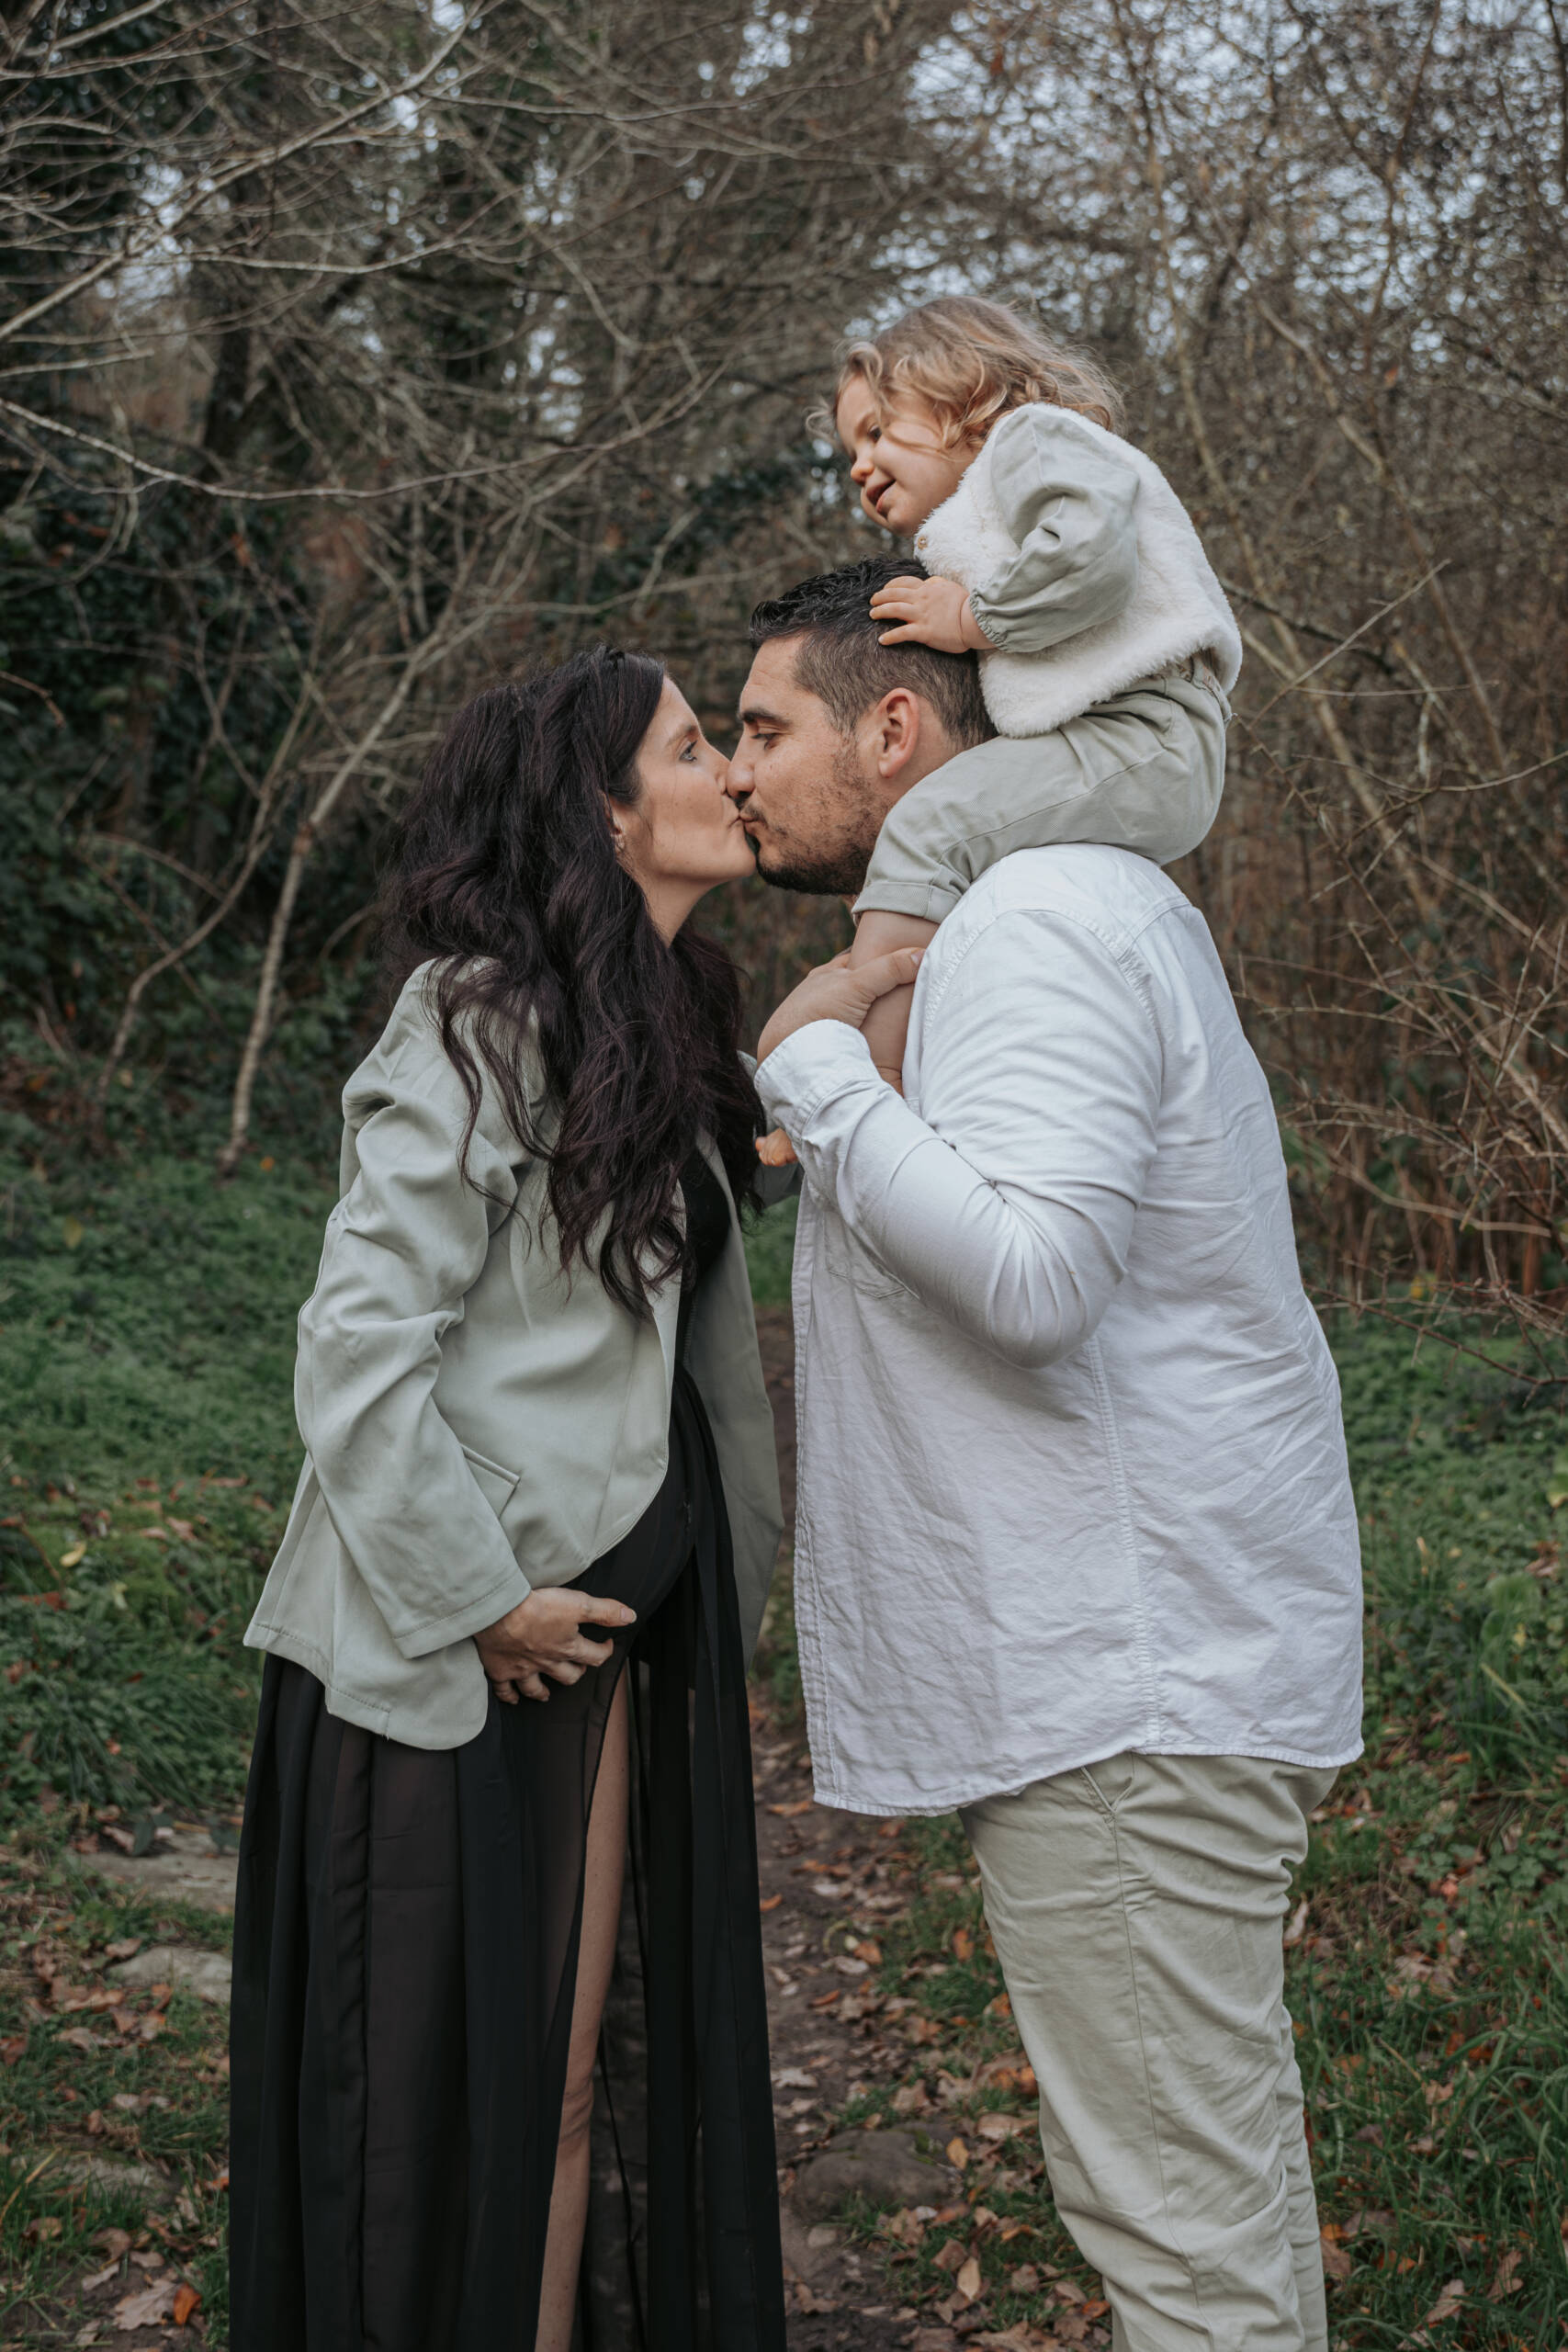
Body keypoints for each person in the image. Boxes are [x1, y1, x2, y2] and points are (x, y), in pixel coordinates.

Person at [728, 572, 1364, 2352]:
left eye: (765, 727)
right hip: (1135, 1685)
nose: (737, 769)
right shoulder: (1023, 919)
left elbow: (1030, 1277)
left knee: (1180, 2244)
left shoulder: (1037, 918)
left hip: (1132, 1694)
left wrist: (814, 1078)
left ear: (898, 729)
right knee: (1207, 2207)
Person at [229, 650, 828, 2352]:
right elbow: (358, 1347)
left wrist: (873, 966)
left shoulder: (667, 1011)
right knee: (424, 2113)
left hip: (599, 1631)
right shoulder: (478, 1015)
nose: (725, 769)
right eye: (693, 744)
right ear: (598, 805)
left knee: (565, 2082)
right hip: (441, 1650)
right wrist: (476, 1596)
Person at [757, 292, 1239, 1163]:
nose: (859, 467)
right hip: (1116, 736)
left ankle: (868, 1082)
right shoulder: (980, 510)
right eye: (847, 453)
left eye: (876, 432)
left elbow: (1093, 554)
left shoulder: (1032, 441)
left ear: (961, 397)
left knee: (930, 825)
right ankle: (898, 1045)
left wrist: (977, 616)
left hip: (1151, 734)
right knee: (944, 836)